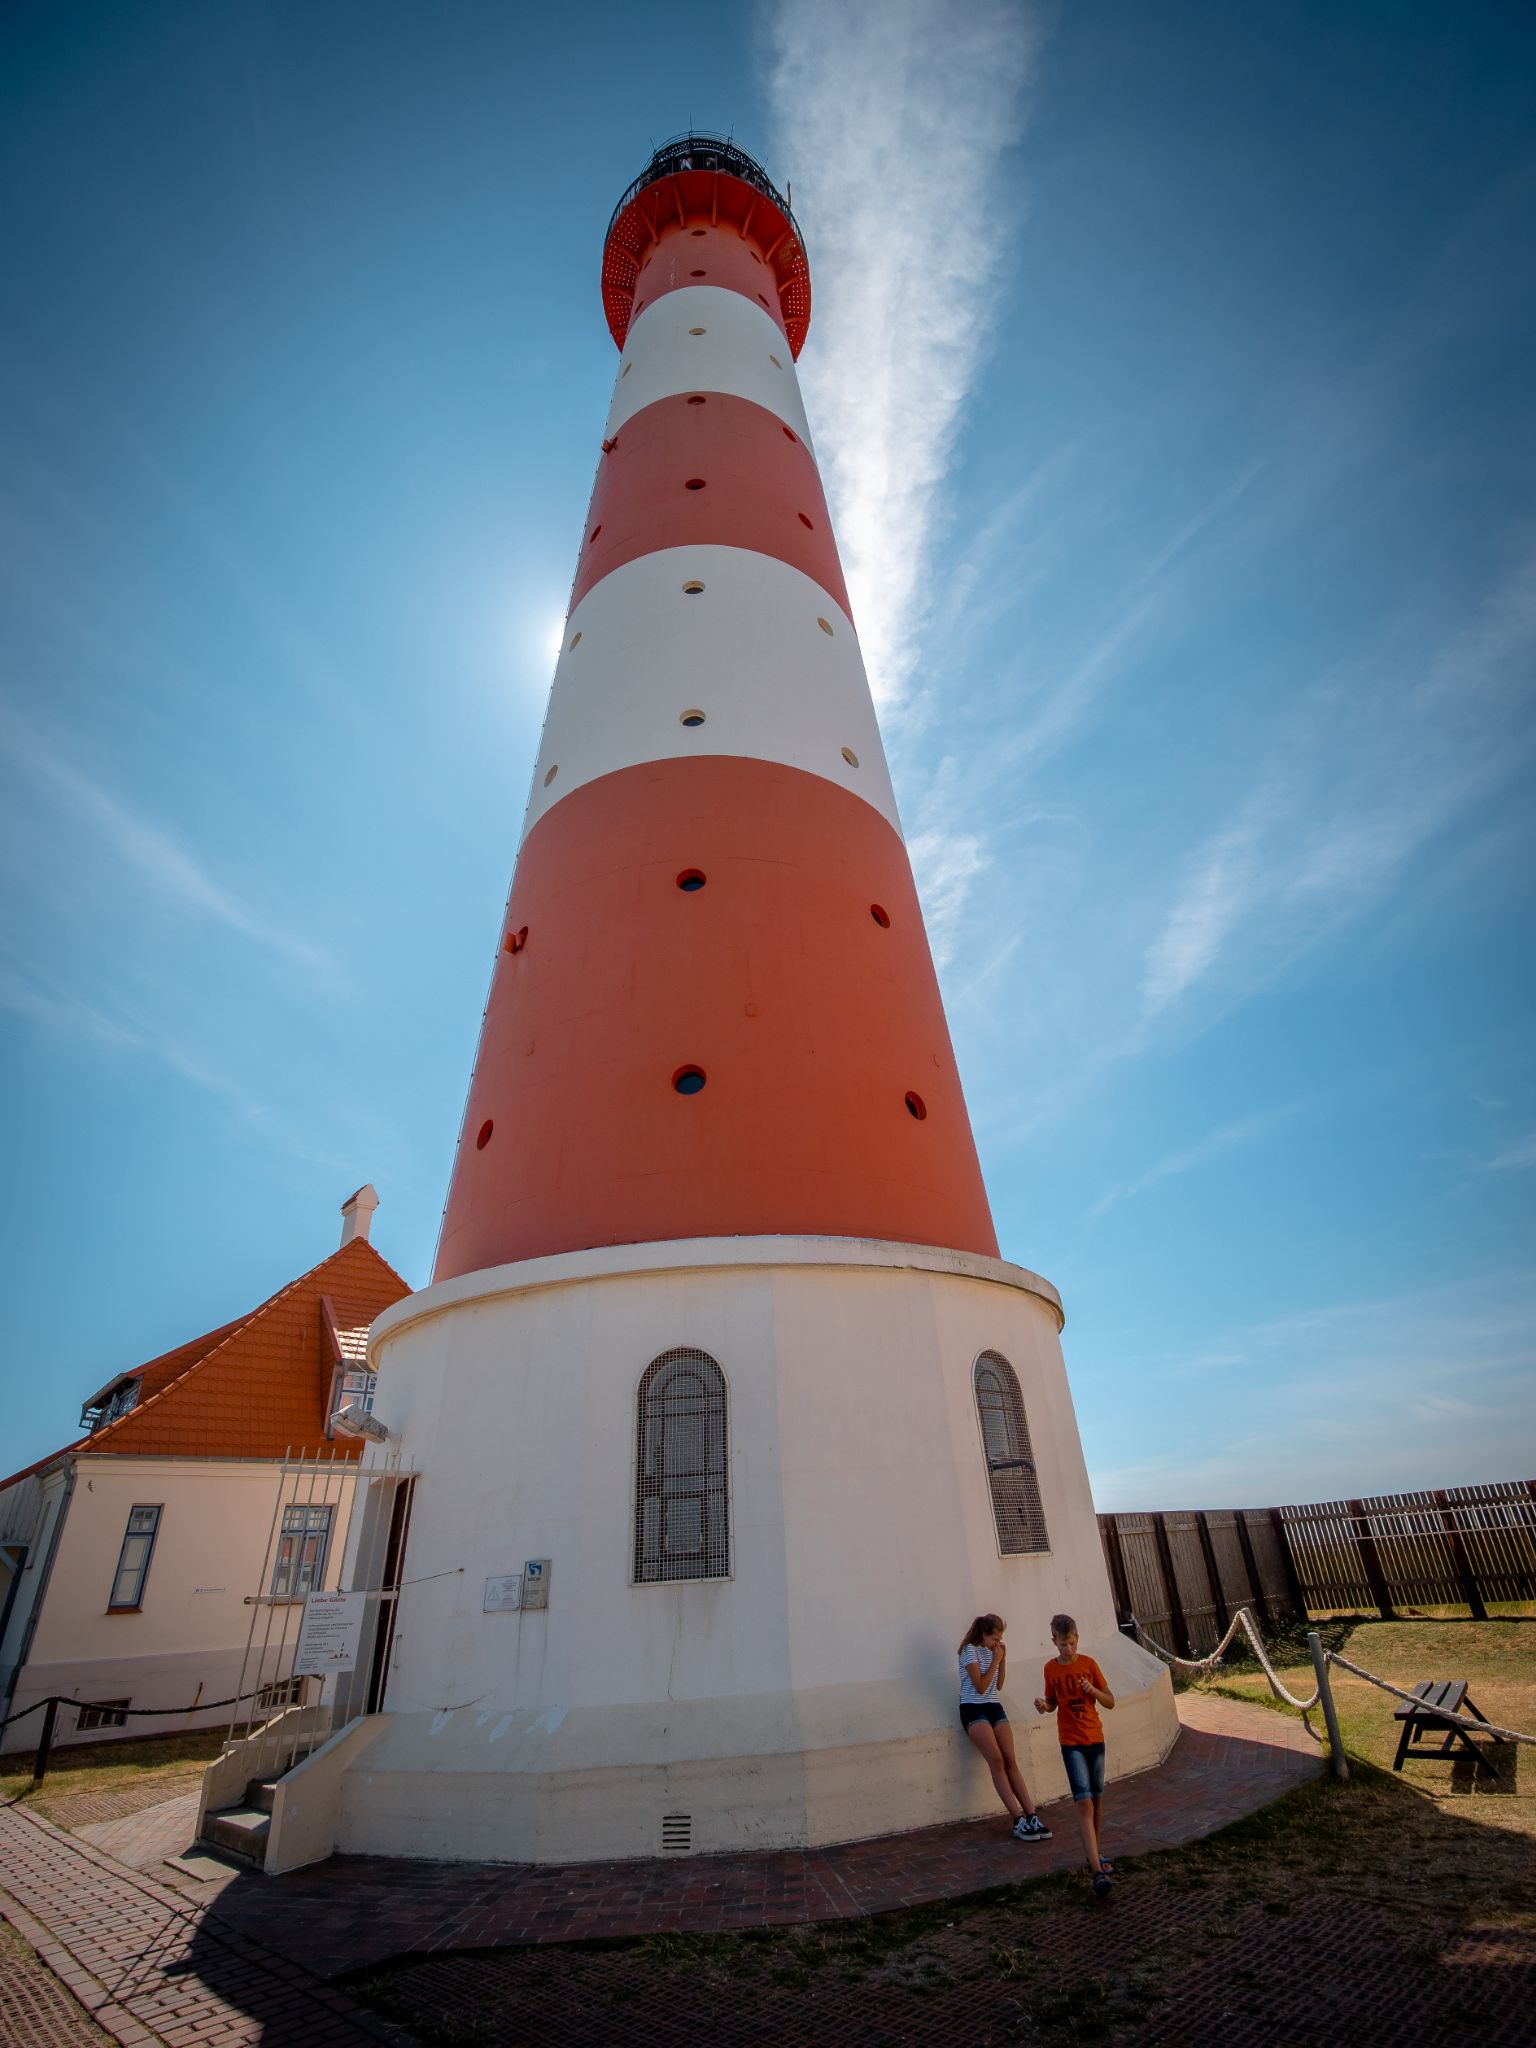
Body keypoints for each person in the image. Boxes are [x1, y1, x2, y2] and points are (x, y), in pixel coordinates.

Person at [1034, 1612, 1116, 1897]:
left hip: (1095, 1738)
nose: (1067, 1649)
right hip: (1071, 1743)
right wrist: (1044, 1705)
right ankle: (1096, 1870)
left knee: (1096, 1799)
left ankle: (1095, 1852)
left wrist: (1092, 1689)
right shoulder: (1050, 1669)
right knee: (1083, 1802)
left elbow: (1110, 1701)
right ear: (1054, 1642)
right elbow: (1053, 1701)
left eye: (1070, 1643)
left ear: (1077, 1639)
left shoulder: (1089, 1665)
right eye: (1061, 1644)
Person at [957, 1613, 1052, 1843]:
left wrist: (1002, 1659)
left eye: (1000, 1638)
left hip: (993, 1706)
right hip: (973, 1707)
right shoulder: (969, 1650)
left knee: (1010, 1759)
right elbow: (979, 1686)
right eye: (994, 1638)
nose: (996, 1643)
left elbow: (998, 1685)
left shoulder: (993, 1651)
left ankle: (1031, 1814)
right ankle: (1018, 1819)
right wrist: (996, 1660)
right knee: (997, 1761)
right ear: (983, 1634)